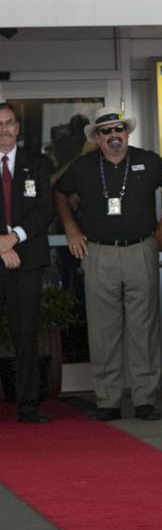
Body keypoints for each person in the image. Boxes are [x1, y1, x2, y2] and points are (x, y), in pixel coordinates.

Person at [54, 107, 162, 421]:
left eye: (119, 129)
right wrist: (71, 227)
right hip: (99, 254)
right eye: (107, 131)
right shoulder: (83, 166)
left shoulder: (147, 161)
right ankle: (107, 401)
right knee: (103, 329)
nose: (114, 136)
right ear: (97, 137)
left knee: (144, 328)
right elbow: (59, 191)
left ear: (127, 133)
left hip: (141, 250)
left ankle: (145, 400)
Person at [0, 102, 53, 423]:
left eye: (8, 123)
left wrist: (14, 237)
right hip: (4, 253)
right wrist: (1, 245)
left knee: (26, 333)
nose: (3, 130)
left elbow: (45, 208)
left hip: (27, 261)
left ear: (18, 128)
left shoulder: (38, 163)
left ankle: (28, 405)